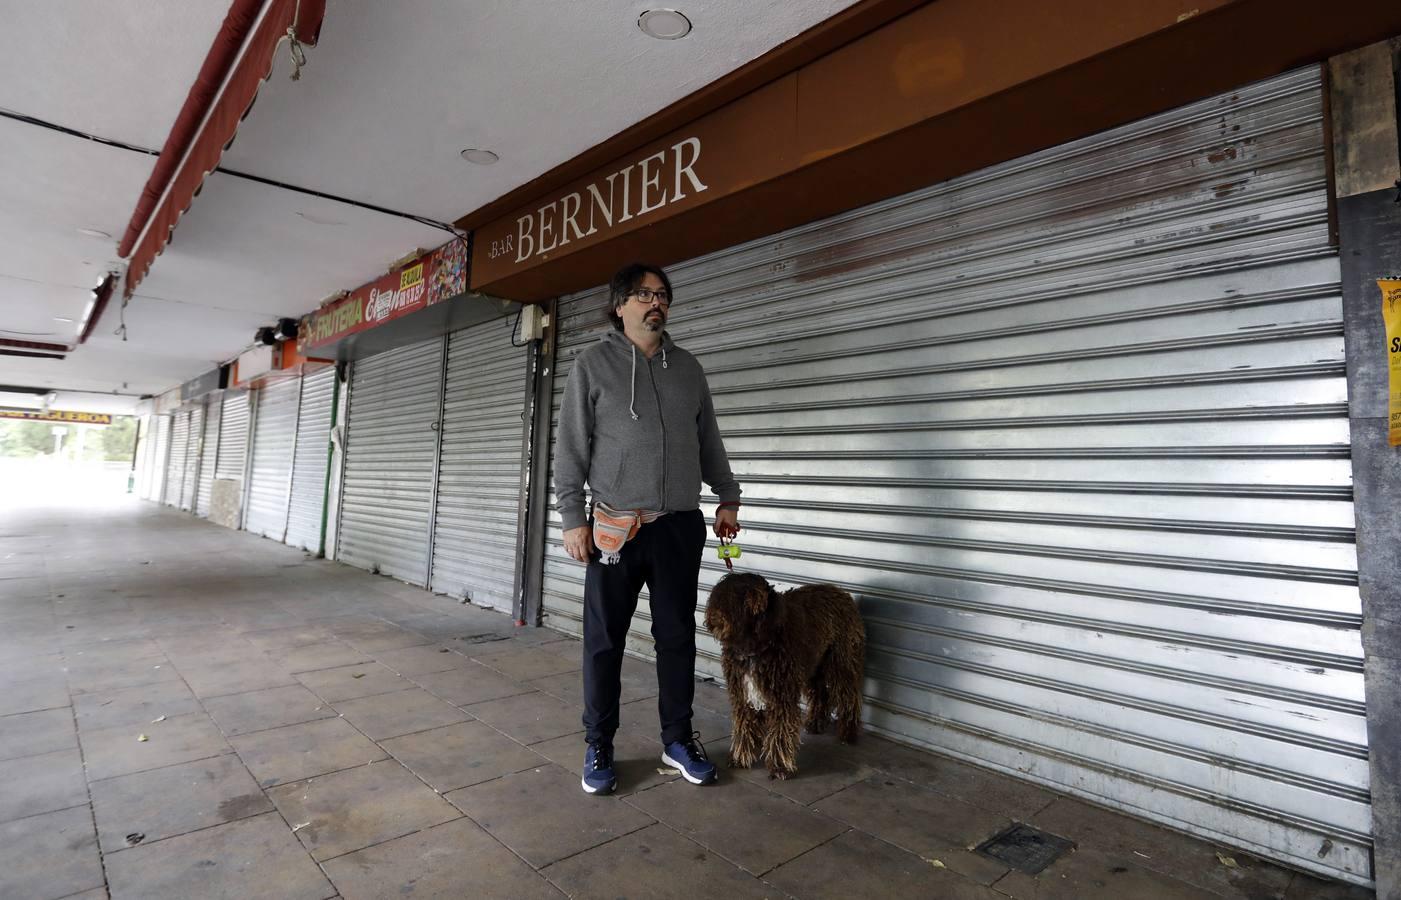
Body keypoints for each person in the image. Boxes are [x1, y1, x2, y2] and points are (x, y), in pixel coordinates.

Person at [554, 262, 741, 795]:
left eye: (662, 295)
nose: (654, 302)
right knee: (604, 640)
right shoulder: (592, 365)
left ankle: (678, 739)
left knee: (677, 636)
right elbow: (570, 448)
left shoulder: (688, 368)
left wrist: (728, 496)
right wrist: (572, 519)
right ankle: (599, 744)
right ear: (619, 306)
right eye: (643, 294)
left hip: (680, 526)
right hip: (615, 526)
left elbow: (708, 441)